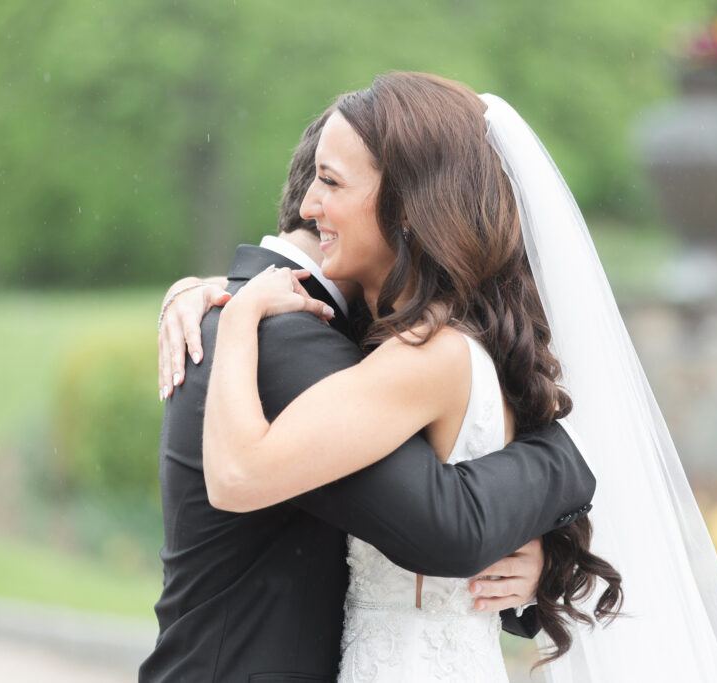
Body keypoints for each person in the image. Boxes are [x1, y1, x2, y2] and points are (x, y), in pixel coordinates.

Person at [200, 72, 717, 682]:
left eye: (331, 182)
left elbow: (236, 478)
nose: (309, 205)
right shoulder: (460, 344)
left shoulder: (426, 354)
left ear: (408, 208)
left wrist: (237, 318)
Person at [139, 110, 598, 682]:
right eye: (322, 181)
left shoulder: (311, 329)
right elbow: (445, 525)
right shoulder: (285, 339)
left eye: (332, 183)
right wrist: (570, 454)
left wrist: (537, 565)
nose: (315, 203)